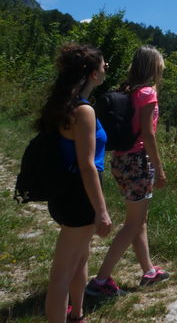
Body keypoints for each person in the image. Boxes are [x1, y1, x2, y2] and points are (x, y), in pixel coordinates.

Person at [86, 45, 169, 296]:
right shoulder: (147, 93)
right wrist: (160, 169)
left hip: (120, 160)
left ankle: (149, 271)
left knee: (138, 220)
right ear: (153, 67)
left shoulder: (127, 90)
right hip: (139, 162)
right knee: (133, 223)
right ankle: (101, 281)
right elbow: (148, 134)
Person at [41, 43, 113, 323]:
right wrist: (102, 211)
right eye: (103, 64)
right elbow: (87, 165)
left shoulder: (65, 105)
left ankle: (77, 315)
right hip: (79, 196)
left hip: (66, 192)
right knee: (61, 274)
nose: (106, 67)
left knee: (81, 259)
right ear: (92, 73)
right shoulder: (83, 112)